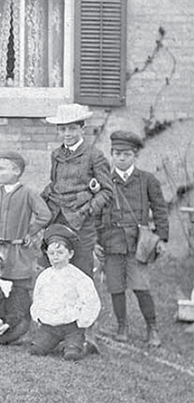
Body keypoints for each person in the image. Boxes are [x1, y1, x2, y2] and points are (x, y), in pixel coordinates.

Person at [96, 131, 169, 347]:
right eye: (117, 153)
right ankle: (122, 326)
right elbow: (96, 213)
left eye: (126, 154)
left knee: (141, 286)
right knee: (116, 287)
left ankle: (152, 327)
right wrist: (96, 242)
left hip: (138, 245)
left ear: (135, 155)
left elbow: (160, 209)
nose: (121, 158)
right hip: (111, 242)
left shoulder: (147, 180)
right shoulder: (104, 181)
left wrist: (161, 238)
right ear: (112, 154)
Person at [0, 151, 50, 313]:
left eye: (2, 169)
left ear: (16, 171)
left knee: (19, 289)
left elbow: (45, 215)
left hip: (18, 250)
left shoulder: (27, 193)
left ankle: (22, 320)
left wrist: (30, 232)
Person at [41, 103, 112, 275]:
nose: (67, 134)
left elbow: (107, 191)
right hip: (57, 217)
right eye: (63, 129)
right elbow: (55, 183)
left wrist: (89, 209)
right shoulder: (56, 155)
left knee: (81, 269)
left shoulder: (94, 155)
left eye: (72, 129)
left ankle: (84, 303)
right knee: (54, 266)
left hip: (81, 221)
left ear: (82, 129)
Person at [29, 224, 102, 361]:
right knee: (36, 350)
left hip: (72, 325)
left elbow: (91, 301)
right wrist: (39, 317)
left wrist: (82, 321)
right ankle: (51, 341)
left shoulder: (78, 277)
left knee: (71, 355)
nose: (55, 257)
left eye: (60, 253)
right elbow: (37, 298)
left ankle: (84, 346)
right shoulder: (45, 276)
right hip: (50, 325)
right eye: (52, 253)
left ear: (70, 254)